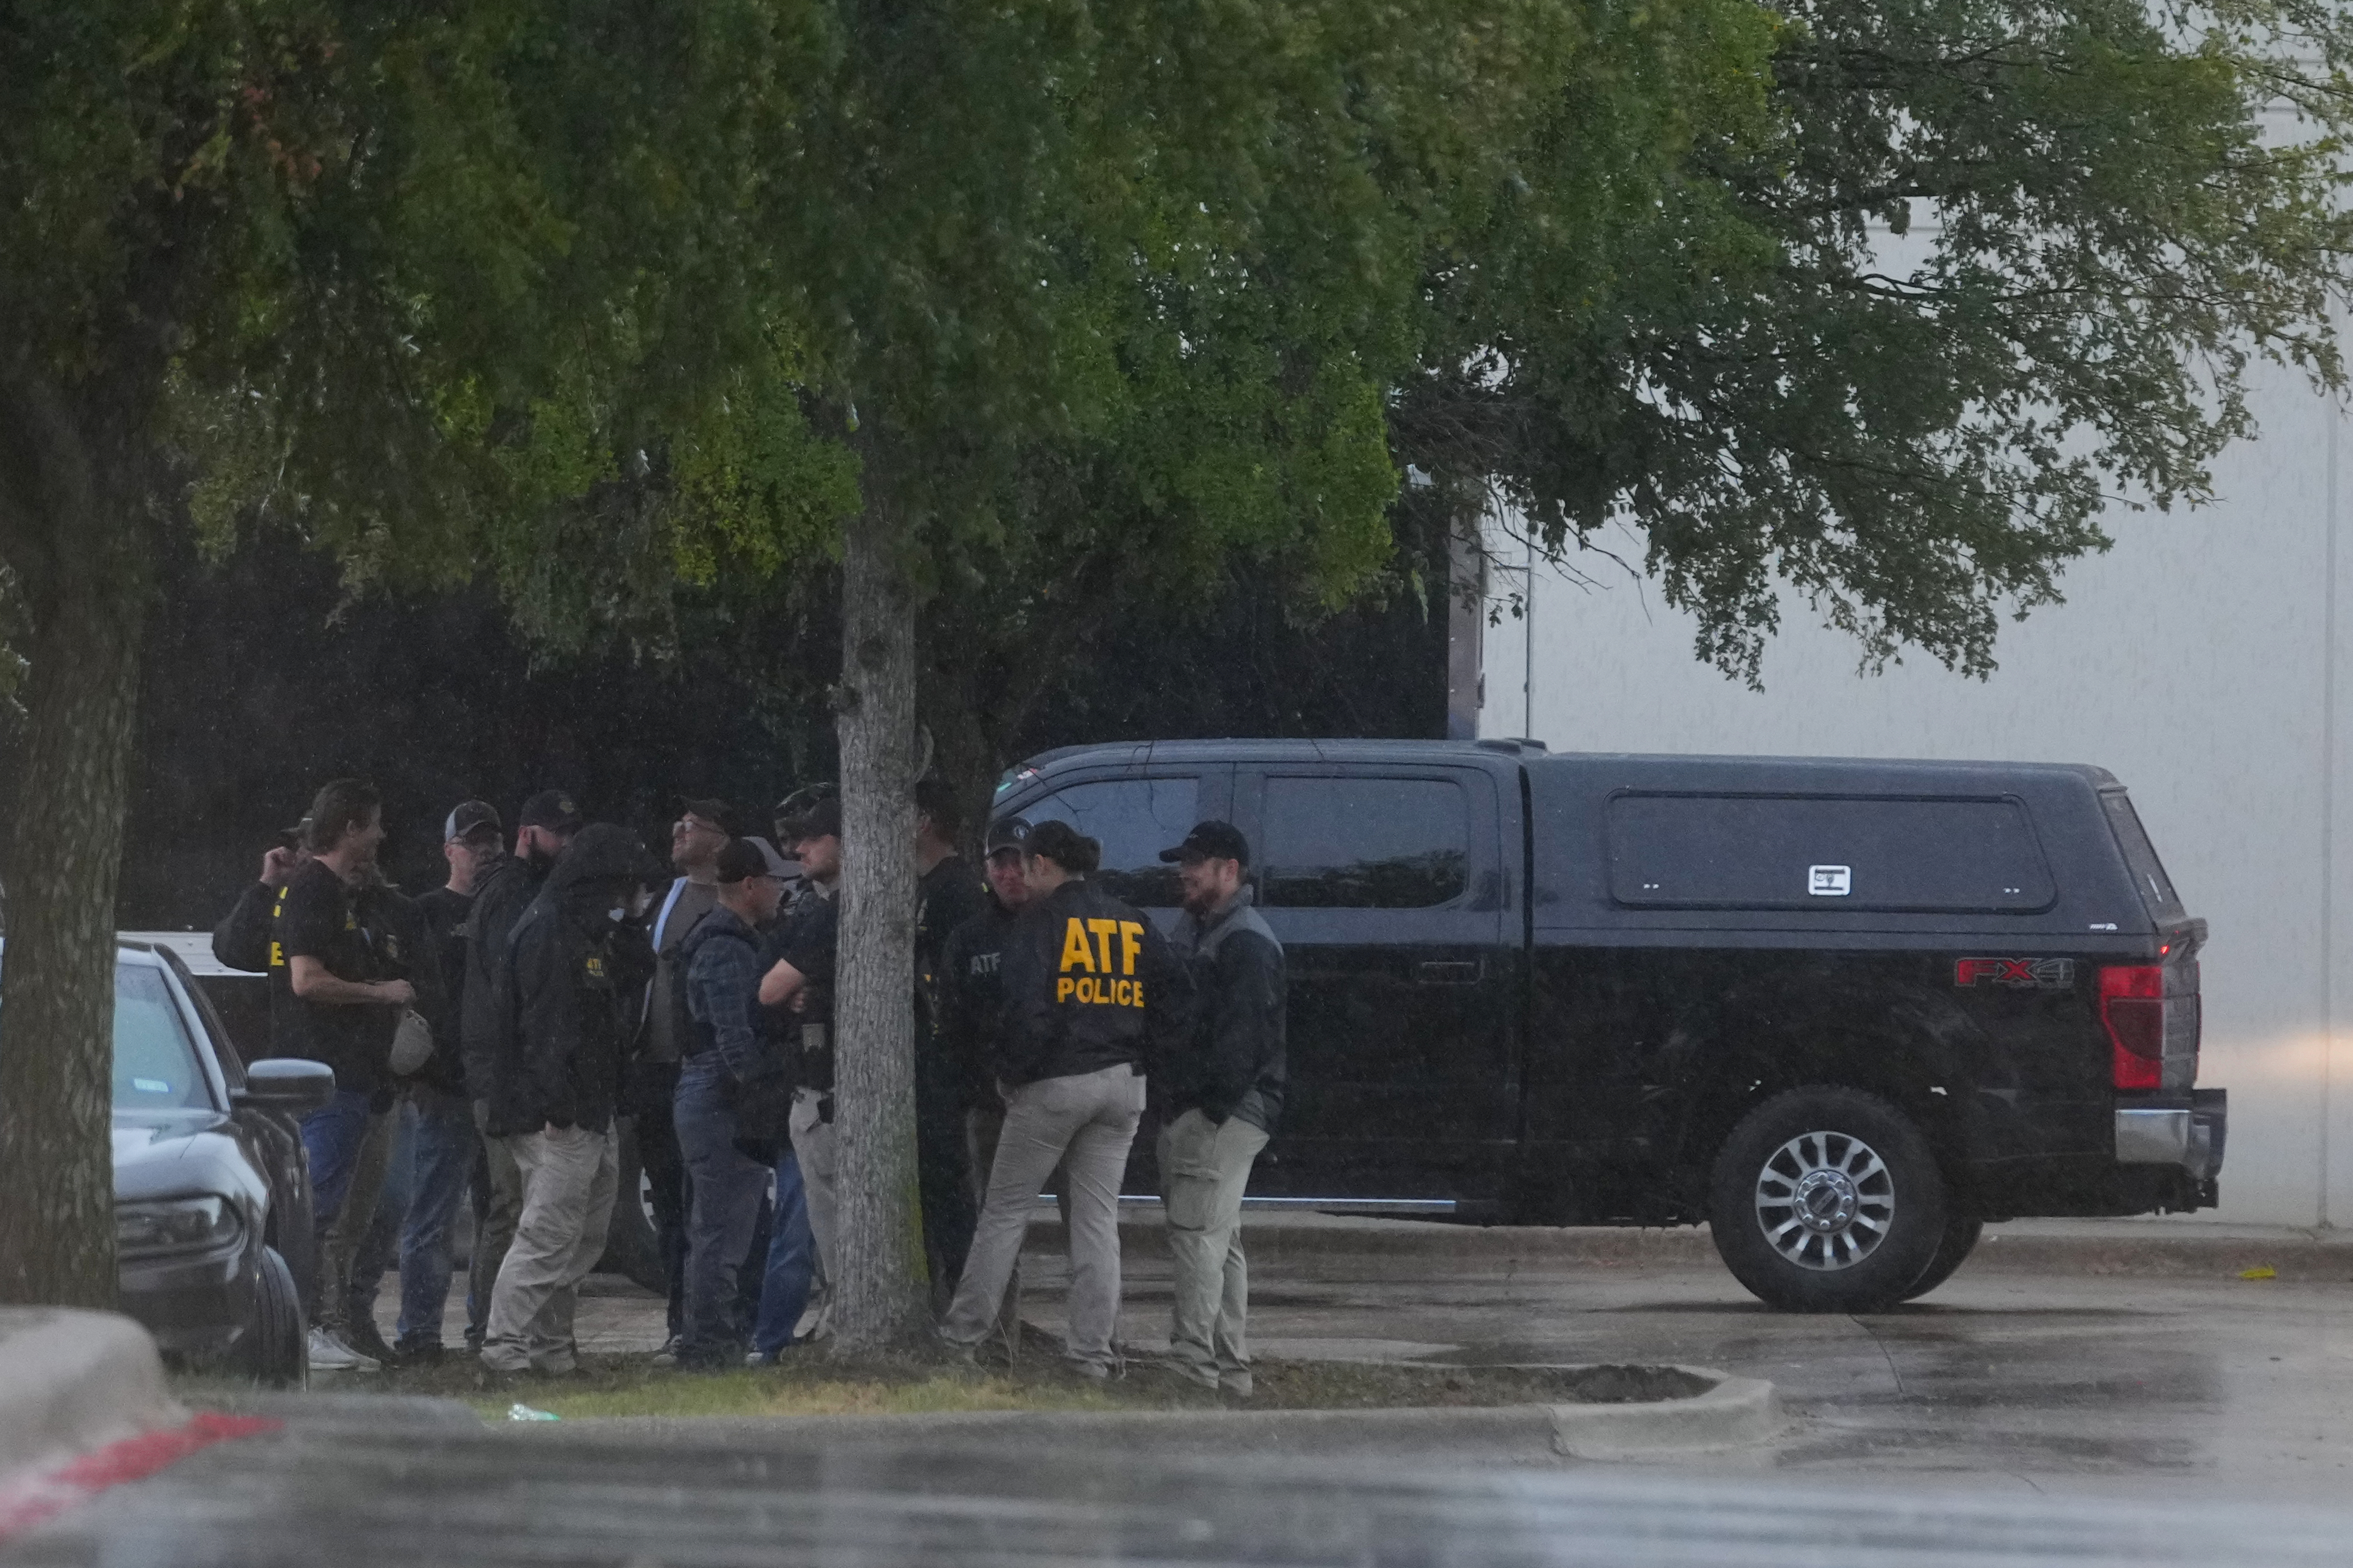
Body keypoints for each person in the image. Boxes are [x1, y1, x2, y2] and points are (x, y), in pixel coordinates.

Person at [937, 820, 1192, 1378]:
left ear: (1044, 864)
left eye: (1026, 865)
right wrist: (1147, 1059)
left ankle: (961, 1339)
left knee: (1003, 1213)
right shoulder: (1131, 921)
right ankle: (1092, 1353)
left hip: (1053, 1083)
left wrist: (1011, 1075)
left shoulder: (1040, 923)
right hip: (1123, 1083)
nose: (1021, 876)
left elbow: (1028, 1009)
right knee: (1097, 1223)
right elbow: (1175, 992)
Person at [479, 823, 660, 1375]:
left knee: (582, 1236)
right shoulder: (549, 929)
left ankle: (551, 1349)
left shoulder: (581, 929)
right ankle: (504, 1351)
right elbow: (544, 1027)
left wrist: (632, 921)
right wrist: (556, 1105)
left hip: (588, 1109)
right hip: (555, 1115)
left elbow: (635, 971)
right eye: (619, 886)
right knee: (546, 1234)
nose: (621, 896)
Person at [268, 779, 417, 1372]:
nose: (381, 835)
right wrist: (380, 991)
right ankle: (298, 1334)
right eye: (374, 823)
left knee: (319, 1210)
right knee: (313, 1211)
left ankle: (307, 1329)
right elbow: (306, 979)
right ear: (350, 828)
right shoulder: (315, 891)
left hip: (347, 1080)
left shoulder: (330, 894)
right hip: (326, 1080)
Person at [1154, 820, 1287, 1397]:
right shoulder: (1203, 931)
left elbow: (1242, 1040)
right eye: (1183, 861)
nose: (1183, 871)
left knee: (1196, 1236)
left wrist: (1207, 1107)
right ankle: (1230, 1371)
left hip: (1224, 1113)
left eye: (1196, 862)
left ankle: (1192, 1367)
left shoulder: (1245, 942)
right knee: (1217, 1236)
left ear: (1230, 870)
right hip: (1218, 1108)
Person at [375, 799, 500, 1364]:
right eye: (472, 842)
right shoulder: (424, 912)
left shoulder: (510, 909)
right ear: (449, 849)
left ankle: (490, 1332)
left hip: (496, 1091)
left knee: (501, 1216)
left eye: (491, 841)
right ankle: (420, 1335)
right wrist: (421, 1070)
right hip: (441, 1090)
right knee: (431, 1217)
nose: (483, 851)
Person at [462, 789, 581, 1353]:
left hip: (499, 1069)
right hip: (499, 1073)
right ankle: (490, 1333)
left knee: (516, 1207)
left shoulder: (519, 893)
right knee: (511, 1208)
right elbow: (513, 995)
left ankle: (505, 1333)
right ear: (529, 834)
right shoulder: (513, 897)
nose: (566, 845)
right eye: (557, 833)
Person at [673, 837, 793, 1368]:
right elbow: (734, 1034)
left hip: (713, 1093)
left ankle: (714, 1336)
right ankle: (708, 1343)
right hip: (718, 1096)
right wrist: (759, 1092)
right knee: (721, 1232)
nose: (781, 891)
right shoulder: (724, 946)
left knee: (724, 1228)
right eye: (775, 881)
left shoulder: (729, 938)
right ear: (750, 885)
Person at [936, 815, 1038, 1354]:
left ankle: (1098, 1345)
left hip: (1057, 1095)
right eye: (999, 862)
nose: (1009, 872)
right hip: (991, 1103)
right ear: (986, 869)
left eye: (1018, 861)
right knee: (997, 1224)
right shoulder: (970, 939)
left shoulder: (1062, 925)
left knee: (1090, 1224)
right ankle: (1001, 1341)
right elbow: (952, 1023)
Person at [636, 797, 732, 1352]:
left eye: (691, 824)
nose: (678, 831)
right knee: (671, 1206)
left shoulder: (730, 899)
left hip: (709, 1068)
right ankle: (680, 1323)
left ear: (719, 839)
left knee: (712, 1208)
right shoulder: (661, 902)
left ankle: (716, 1320)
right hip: (657, 1070)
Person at [758, 793, 842, 1316]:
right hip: (826, 1079)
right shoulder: (815, 908)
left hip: (825, 1089)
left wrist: (796, 989)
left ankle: (842, 1313)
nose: (797, 848)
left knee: (829, 1218)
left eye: (813, 838)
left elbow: (768, 989)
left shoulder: (828, 914)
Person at [913, 777, 987, 1303]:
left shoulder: (955, 890)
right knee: (931, 1183)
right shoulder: (926, 885)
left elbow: (960, 984)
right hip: (927, 1059)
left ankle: (961, 1298)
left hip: (946, 1063)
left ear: (924, 821)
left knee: (948, 1184)